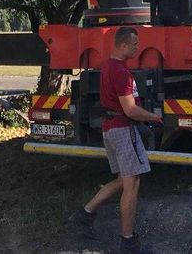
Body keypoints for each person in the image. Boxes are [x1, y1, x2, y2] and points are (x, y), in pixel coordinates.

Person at [68, 26, 162, 253]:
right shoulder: (120, 72)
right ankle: (127, 241)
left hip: (110, 129)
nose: (138, 48)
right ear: (123, 45)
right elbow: (130, 110)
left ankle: (85, 214)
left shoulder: (108, 66)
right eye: (135, 44)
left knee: (122, 180)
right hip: (123, 130)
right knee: (132, 183)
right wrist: (154, 117)